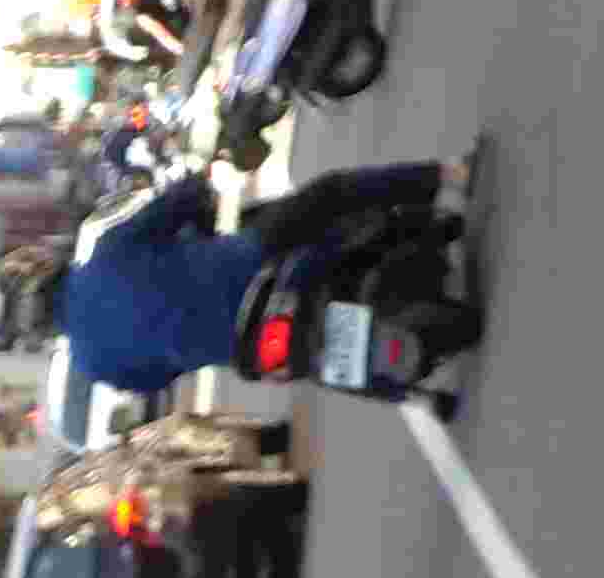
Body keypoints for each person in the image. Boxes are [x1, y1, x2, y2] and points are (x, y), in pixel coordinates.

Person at [57, 153, 466, 400]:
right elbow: (172, 208)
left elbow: (156, 379)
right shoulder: (106, 252)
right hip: (249, 264)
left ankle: (415, 397)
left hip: (241, 347)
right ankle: (448, 176)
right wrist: (194, 187)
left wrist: (191, 346)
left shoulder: (91, 362)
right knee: (331, 194)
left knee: (312, 362)